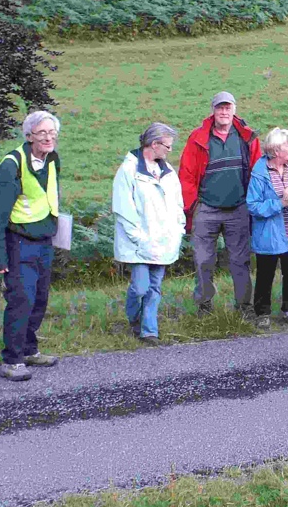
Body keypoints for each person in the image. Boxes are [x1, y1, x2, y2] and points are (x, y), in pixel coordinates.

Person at [0, 111, 63, 381]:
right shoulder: (11, 165)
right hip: (19, 242)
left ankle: (30, 350)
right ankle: (12, 360)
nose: (48, 138)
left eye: (52, 133)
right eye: (42, 133)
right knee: (21, 301)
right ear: (28, 136)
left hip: (44, 241)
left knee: (40, 299)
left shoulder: (53, 159)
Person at [179, 91, 262, 317]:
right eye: (219, 108)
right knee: (203, 261)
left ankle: (244, 307)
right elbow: (186, 175)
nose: (224, 112)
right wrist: (193, 207)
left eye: (228, 107)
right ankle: (204, 307)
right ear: (213, 111)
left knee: (240, 261)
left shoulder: (247, 137)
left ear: (234, 109)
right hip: (206, 209)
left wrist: (253, 203)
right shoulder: (198, 138)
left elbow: (258, 172)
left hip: (238, 209)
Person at [112, 123, 185, 345]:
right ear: (154, 144)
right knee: (140, 287)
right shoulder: (128, 171)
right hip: (139, 243)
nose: (169, 151)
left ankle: (149, 331)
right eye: (167, 146)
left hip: (164, 241)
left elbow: (177, 203)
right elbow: (124, 209)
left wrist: (179, 228)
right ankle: (134, 319)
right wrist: (140, 239)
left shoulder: (168, 171)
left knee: (155, 288)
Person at [247, 128, 288, 328]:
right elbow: (253, 205)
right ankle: (262, 313)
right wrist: (279, 203)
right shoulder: (259, 173)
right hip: (270, 233)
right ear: (276, 151)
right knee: (265, 274)